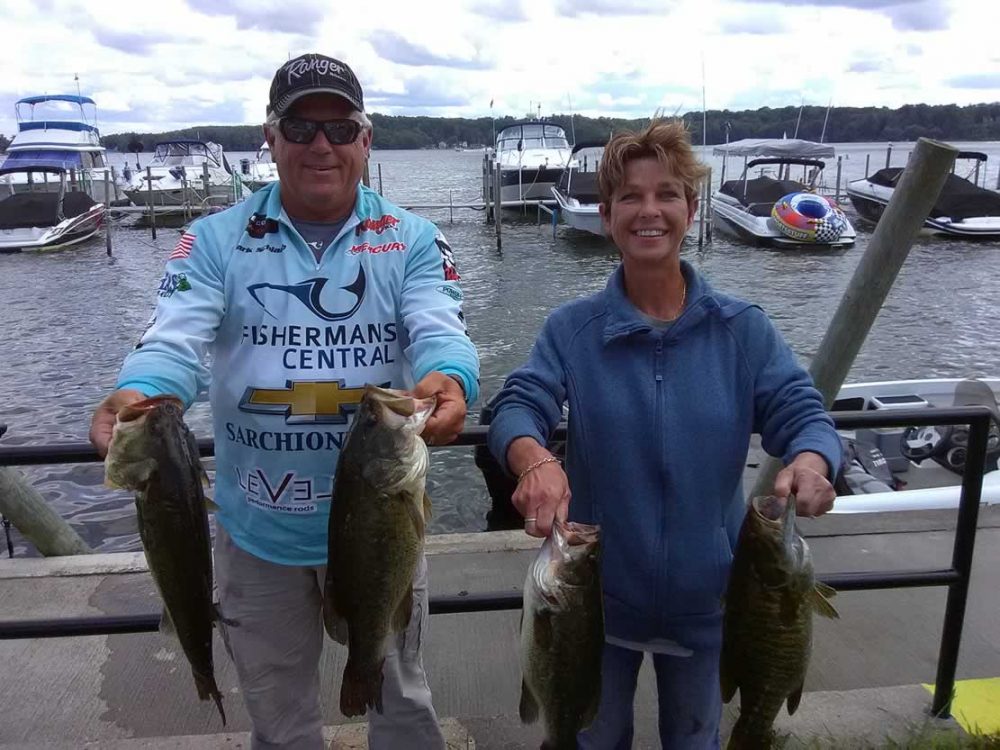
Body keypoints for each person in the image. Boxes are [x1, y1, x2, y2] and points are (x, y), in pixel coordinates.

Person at [89, 53, 479, 750]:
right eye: (300, 127)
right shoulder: (210, 240)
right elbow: (172, 341)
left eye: (340, 127)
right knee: (277, 717)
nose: (320, 145)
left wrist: (450, 378)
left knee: (403, 696)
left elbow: (439, 329)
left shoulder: (414, 239)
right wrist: (139, 394)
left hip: (381, 522)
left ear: (366, 140)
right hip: (256, 534)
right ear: (269, 140)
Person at [486, 119, 841, 749]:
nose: (649, 210)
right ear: (606, 212)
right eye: (630, 196)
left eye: (667, 194)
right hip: (593, 605)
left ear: (692, 209)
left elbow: (800, 408)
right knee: (592, 737)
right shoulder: (573, 329)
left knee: (696, 738)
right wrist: (534, 458)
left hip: (713, 603)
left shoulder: (743, 330)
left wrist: (813, 460)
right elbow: (519, 402)